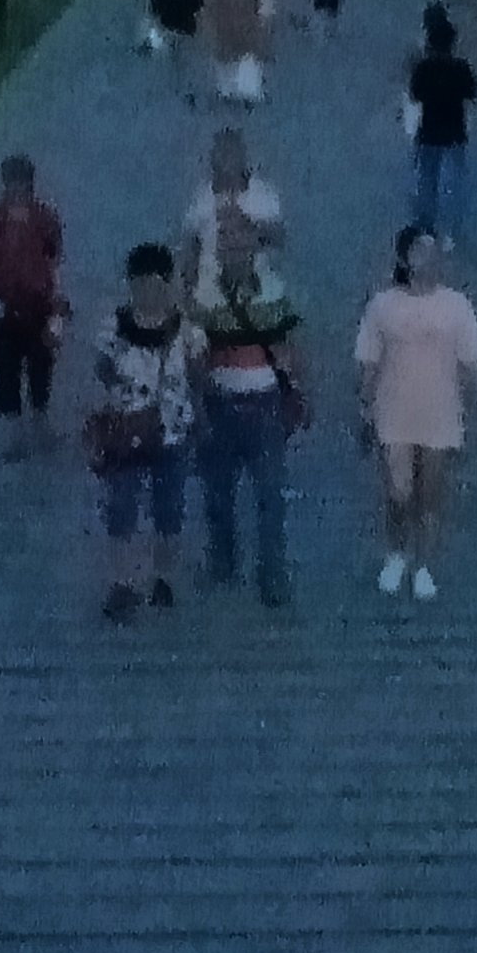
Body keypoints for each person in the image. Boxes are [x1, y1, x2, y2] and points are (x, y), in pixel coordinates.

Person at [182, 130, 306, 608]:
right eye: (226, 242)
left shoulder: (272, 288)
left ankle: (272, 573)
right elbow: (195, 355)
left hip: (263, 397)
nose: (232, 247)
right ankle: (223, 560)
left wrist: (298, 390)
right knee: (217, 491)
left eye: (240, 241)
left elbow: (290, 343)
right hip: (218, 394)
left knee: (270, 492)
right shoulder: (203, 297)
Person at [355, 227, 477, 602]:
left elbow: (471, 360)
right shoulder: (383, 305)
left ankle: (424, 564)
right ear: (404, 258)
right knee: (398, 492)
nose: (428, 258)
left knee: (430, 495)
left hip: (440, 411)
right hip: (393, 410)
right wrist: (364, 406)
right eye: (419, 251)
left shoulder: (456, 305)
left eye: (433, 251)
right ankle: (396, 553)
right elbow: (369, 361)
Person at [92, 244, 208, 622]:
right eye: (140, 283)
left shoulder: (188, 330)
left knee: (168, 508)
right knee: (121, 506)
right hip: (126, 429)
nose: (148, 291)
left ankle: (163, 577)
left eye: (156, 283)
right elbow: (101, 368)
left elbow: (199, 377)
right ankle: (122, 581)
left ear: (168, 284)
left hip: (173, 431)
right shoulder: (113, 326)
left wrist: (199, 414)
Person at [0, 155, 66, 460]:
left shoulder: (45, 219)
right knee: (7, 370)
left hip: (39, 304)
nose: (16, 190)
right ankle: (15, 434)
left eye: (21, 184)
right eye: (11, 183)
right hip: (4, 306)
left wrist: (57, 308)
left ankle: (41, 423)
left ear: (30, 185)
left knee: (41, 365)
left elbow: (54, 262)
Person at [408, 19, 477, 249]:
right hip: (455, 131)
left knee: (427, 180)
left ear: (430, 42)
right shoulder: (461, 67)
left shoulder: (423, 67)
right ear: (453, 43)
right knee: (456, 182)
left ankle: (427, 227)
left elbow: (415, 95)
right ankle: (454, 229)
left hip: (429, 131)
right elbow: (473, 93)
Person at [206, 0, 272, 106]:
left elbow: (213, 9)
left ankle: (228, 97)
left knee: (227, 77)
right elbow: (260, 14)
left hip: (227, 39)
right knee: (246, 77)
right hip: (245, 39)